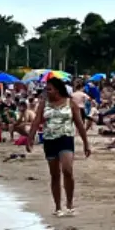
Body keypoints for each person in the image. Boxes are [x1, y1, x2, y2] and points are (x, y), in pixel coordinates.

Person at [25, 77, 91, 217]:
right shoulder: (44, 103)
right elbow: (37, 121)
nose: (47, 92)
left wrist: (86, 143)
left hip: (66, 138)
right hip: (49, 140)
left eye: (49, 89)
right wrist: (29, 138)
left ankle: (70, 203)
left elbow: (79, 123)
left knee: (67, 170)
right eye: (46, 89)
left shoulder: (70, 103)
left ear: (57, 89)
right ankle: (58, 207)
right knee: (55, 175)